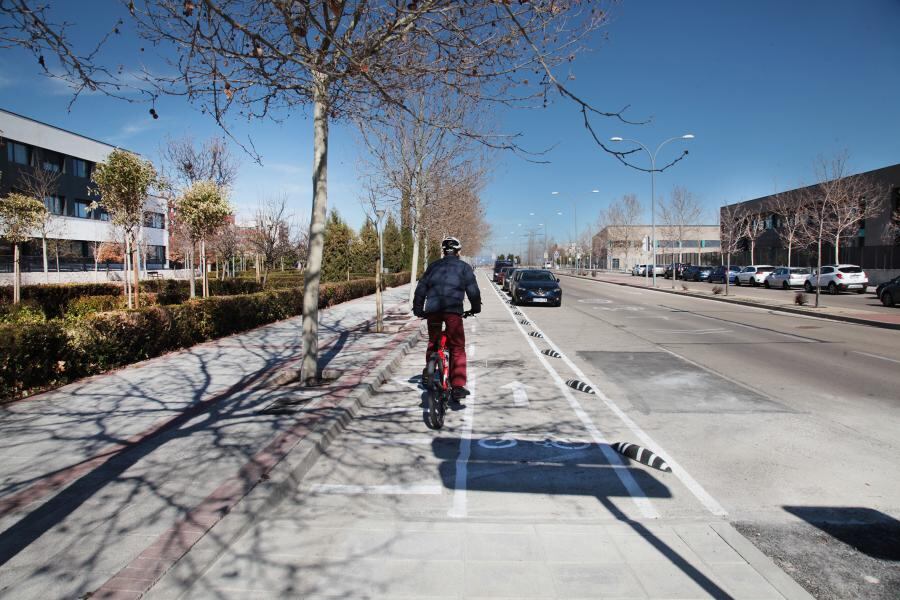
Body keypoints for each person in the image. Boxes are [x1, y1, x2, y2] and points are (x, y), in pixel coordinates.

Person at [413, 236, 481, 400]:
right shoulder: (464, 268)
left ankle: (430, 372)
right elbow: (473, 291)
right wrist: (475, 308)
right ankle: (457, 386)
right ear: (458, 251)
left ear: (443, 252)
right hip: (453, 311)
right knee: (457, 347)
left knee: (433, 341)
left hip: (433, 310)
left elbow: (421, 289)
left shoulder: (433, 267)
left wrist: (418, 310)